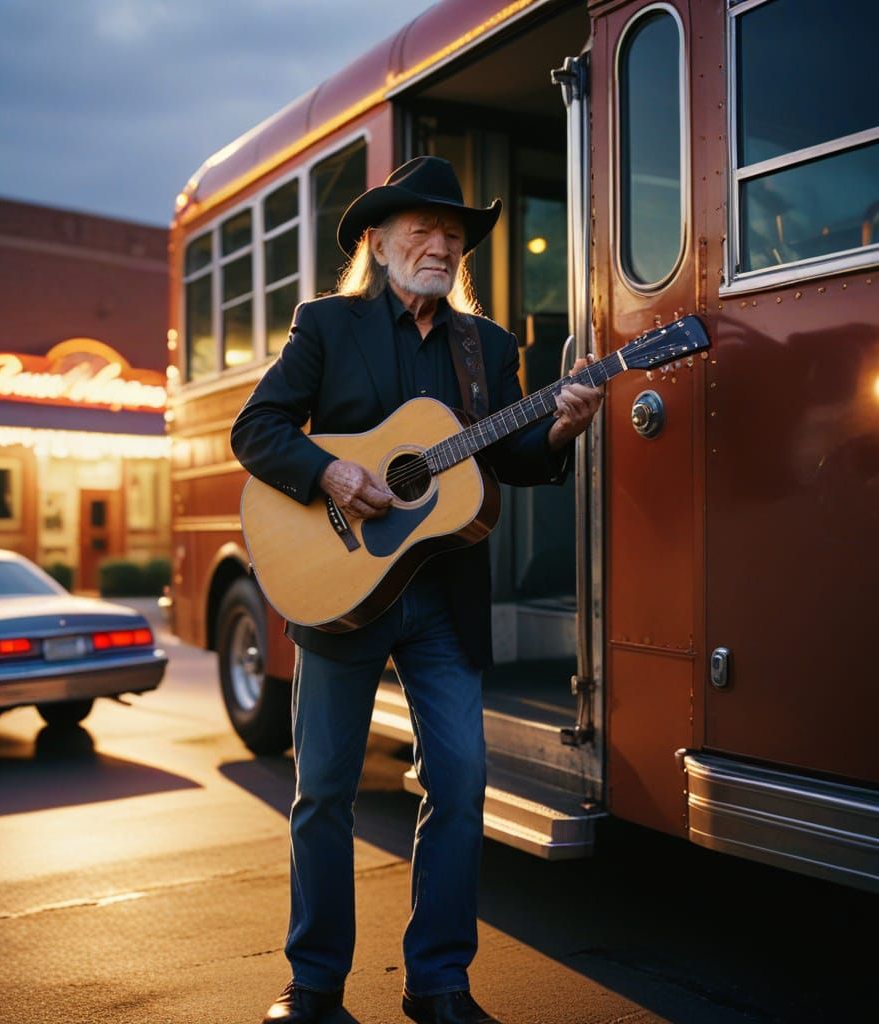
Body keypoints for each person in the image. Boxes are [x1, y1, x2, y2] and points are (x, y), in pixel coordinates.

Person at [231, 156, 603, 1024]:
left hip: (444, 601)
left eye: (452, 235)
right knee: (323, 790)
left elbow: (505, 459)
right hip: (341, 590)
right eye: (422, 230)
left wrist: (559, 428)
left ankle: (439, 983)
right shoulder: (327, 325)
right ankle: (314, 984)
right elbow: (259, 429)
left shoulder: (490, 347)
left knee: (462, 784)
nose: (439, 246)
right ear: (380, 239)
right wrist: (328, 472)